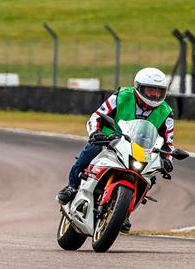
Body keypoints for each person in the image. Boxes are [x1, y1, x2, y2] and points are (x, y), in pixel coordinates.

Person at [56, 67, 175, 232]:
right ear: (139, 88)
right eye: (151, 90)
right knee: (91, 150)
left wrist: (167, 160)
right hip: (110, 140)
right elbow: (97, 116)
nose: (155, 95)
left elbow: (168, 142)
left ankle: (124, 212)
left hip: (140, 150)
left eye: (159, 91)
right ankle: (72, 186)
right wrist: (95, 133)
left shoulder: (166, 112)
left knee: (149, 176)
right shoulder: (122, 95)